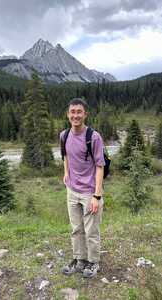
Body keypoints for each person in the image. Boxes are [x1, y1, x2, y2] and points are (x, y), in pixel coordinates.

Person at [60, 98, 105, 278]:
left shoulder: (93, 137)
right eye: (72, 112)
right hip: (72, 190)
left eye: (79, 112)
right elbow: (65, 156)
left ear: (85, 114)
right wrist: (66, 173)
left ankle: (93, 262)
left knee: (91, 231)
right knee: (76, 228)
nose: (75, 115)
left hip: (89, 192)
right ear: (68, 114)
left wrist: (97, 196)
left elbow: (100, 165)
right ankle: (80, 260)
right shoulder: (64, 135)